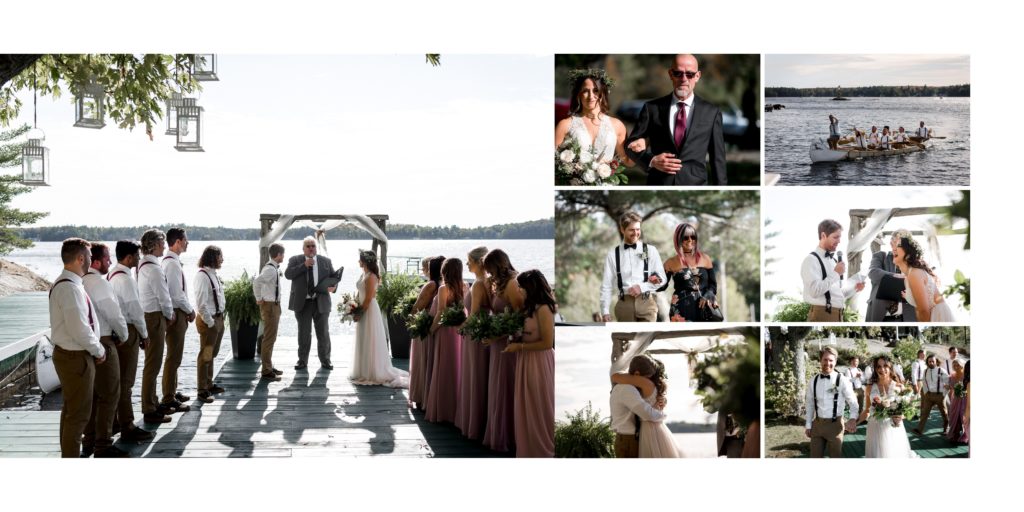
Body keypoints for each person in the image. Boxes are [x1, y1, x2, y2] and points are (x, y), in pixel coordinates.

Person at [624, 54, 727, 186]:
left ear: (697, 76)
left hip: (695, 185)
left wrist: (721, 188)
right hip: (659, 184)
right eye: (678, 73)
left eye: (689, 74)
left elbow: (718, 159)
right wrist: (651, 160)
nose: (684, 79)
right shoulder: (652, 108)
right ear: (670, 74)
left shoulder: (711, 112)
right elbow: (630, 146)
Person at [48, 238, 106, 457]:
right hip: (75, 357)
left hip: (72, 355)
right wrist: (98, 350)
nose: (92, 260)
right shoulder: (70, 288)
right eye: (89, 257)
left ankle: (68, 455)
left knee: (71, 411)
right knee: (79, 415)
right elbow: (79, 329)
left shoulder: (69, 283)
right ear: (80, 258)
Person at [80, 242, 130, 457]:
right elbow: (113, 311)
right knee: (110, 394)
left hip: (86, 342)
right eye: (108, 258)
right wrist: (125, 335)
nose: (111, 262)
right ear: (97, 260)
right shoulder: (98, 282)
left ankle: (89, 440)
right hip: (104, 341)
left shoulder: (80, 280)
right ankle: (103, 444)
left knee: (92, 394)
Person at [503, 270, 556, 457]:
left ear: (530, 287)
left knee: (538, 405)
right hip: (525, 360)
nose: (518, 289)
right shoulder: (528, 307)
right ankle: (528, 448)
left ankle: (542, 450)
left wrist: (519, 346)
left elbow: (547, 343)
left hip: (538, 362)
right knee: (526, 405)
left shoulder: (544, 308)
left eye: (521, 286)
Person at [106, 240, 155, 442]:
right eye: (137, 255)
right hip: (129, 331)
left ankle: (116, 422)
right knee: (126, 382)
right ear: (128, 258)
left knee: (119, 381)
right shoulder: (126, 280)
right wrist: (144, 335)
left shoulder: (111, 275)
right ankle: (127, 426)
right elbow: (135, 310)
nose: (139, 258)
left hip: (117, 331)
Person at [349, 250, 409, 388]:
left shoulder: (371, 277)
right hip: (362, 307)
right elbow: (360, 294)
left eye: (360, 260)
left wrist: (360, 313)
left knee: (370, 338)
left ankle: (373, 371)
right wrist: (352, 306)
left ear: (364, 261)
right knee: (363, 338)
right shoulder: (364, 274)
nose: (358, 262)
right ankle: (363, 369)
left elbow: (369, 298)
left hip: (369, 310)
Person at [482, 248, 522, 453]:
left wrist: (496, 336)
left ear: (498, 265)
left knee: (506, 388)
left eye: (490, 270)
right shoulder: (499, 282)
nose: (488, 274)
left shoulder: (514, 283)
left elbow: (518, 320)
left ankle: (510, 437)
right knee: (498, 388)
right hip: (497, 342)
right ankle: (500, 433)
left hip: (508, 343)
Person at [554, 69, 633, 169]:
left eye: (596, 90)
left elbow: (628, 161)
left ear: (603, 93)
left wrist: (643, 143)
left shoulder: (617, 125)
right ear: (579, 94)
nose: (591, 96)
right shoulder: (565, 125)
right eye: (585, 91)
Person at [137, 229, 176, 424]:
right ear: (153, 245)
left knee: (152, 363)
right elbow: (163, 296)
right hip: (154, 317)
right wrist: (170, 315)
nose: (164, 246)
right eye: (162, 243)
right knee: (153, 364)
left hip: (149, 315)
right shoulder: (153, 268)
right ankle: (149, 408)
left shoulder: (144, 265)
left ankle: (153, 401)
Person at [611, 354, 681, 458]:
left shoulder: (636, 385)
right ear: (637, 374)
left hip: (637, 434)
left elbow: (615, 376)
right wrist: (663, 415)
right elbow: (647, 414)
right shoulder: (627, 388)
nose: (648, 379)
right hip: (628, 437)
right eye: (647, 377)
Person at [600, 210, 665, 322]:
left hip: (647, 303)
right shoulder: (612, 254)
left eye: (638, 229)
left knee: (647, 337)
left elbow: (662, 279)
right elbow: (607, 285)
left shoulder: (651, 250)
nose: (636, 233)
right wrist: (605, 310)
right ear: (622, 230)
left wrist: (642, 287)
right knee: (627, 338)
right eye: (631, 230)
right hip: (624, 304)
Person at [285, 236, 337, 370]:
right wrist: (304, 265)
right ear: (303, 249)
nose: (311, 248)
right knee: (303, 333)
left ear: (316, 248)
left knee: (323, 333)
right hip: (303, 303)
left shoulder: (325, 261)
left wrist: (334, 287)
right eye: (308, 246)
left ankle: (326, 360)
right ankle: (302, 361)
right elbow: (288, 274)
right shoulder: (295, 260)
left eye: (313, 245)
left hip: (321, 302)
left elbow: (333, 278)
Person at [455, 247, 490, 440]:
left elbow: (475, 314)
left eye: (469, 261)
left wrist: (461, 328)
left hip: (474, 334)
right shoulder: (486, 281)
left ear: (478, 262)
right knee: (479, 375)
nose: (467, 264)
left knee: (474, 375)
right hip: (480, 332)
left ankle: (475, 422)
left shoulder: (478, 284)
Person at [426, 257, 466, 423]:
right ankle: (454, 407)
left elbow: (441, 312)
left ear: (445, 270)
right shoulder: (464, 286)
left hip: (444, 331)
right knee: (455, 368)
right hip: (457, 331)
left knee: (443, 367)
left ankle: (442, 409)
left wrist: (431, 330)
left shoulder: (444, 288)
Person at [801, 219, 865, 321]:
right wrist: (836, 273)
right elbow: (814, 291)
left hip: (838, 315)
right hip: (822, 313)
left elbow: (837, 293)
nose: (839, 241)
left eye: (840, 237)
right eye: (835, 237)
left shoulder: (834, 261)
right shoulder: (811, 260)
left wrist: (855, 289)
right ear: (823, 236)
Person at [160, 227, 194, 413]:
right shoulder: (171, 264)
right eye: (186, 239)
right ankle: (168, 397)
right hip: (176, 312)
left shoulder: (172, 262)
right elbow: (176, 294)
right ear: (178, 241)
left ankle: (171, 391)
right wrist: (190, 310)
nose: (188, 242)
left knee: (175, 356)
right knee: (173, 357)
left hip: (177, 312)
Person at [857, 355, 918, 458]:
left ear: (890, 368)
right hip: (874, 428)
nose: (882, 369)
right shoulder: (869, 387)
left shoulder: (899, 387)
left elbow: (907, 411)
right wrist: (855, 422)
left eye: (885, 366)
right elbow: (867, 410)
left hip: (893, 429)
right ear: (875, 369)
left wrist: (900, 417)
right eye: (878, 367)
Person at [658, 222, 719, 322]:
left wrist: (709, 295)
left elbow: (712, 285)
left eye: (693, 237)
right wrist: (653, 279)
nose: (690, 240)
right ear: (679, 239)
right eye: (686, 237)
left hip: (704, 308)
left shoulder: (705, 259)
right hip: (680, 310)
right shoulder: (670, 262)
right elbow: (661, 286)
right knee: (682, 337)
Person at [804, 347, 859, 458]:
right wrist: (808, 424)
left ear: (835, 361)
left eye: (831, 360)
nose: (828, 363)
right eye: (825, 360)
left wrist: (853, 418)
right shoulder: (813, 380)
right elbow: (809, 404)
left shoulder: (843, 380)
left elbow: (853, 402)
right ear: (820, 360)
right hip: (817, 425)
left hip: (836, 425)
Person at [893, 232, 954, 322]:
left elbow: (924, 311)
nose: (893, 249)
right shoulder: (909, 276)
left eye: (898, 245)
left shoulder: (914, 273)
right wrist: (909, 296)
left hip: (938, 316)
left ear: (908, 253)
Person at [194, 245, 227, 403]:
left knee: (212, 354)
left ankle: (209, 383)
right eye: (220, 256)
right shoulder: (202, 276)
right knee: (205, 355)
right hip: (209, 321)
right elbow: (201, 304)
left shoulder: (213, 274)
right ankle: (202, 390)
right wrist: (211, 323)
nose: (222, 259)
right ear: (213, 258)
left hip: (218, 319)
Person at [408, 257, 441, 410]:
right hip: (439, 328)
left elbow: (417, 307)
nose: (424, 270)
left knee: (422, 361)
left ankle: (420, 396)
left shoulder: (431, 285)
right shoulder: (446, 285)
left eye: (426, 267)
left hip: (425, 327)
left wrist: (411, 313)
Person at [866, 230, 916, 322]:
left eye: (899, 245)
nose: (895, 248)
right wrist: (896, 276)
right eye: (893, 244)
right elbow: (873, 272)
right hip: (880, 315)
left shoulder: (914, 263)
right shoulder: (881, 256)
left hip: (906, 317)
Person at [253, 243, 285, 381]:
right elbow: (256, 282)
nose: (283, 256)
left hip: (274, 305)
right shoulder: (271, 270)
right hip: (270, 306)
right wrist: (259, 298)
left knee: (271, 337)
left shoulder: (273, 268)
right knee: (269, 338)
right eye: (283, 254)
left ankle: (269, 366)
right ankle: (266, 370)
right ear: (278, 255)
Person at [913, 355, 949, 436]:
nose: (931, 363)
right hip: (929, 396)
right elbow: (924, 383)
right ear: (927, 362)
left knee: (944, 413)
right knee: (924, 412)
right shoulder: (925, 371)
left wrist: (944, 395)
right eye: (930, 361)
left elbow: (948, 383)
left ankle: (946, 428)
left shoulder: (941, 370)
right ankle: (919, 430)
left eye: (933, 361)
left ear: (936, 361)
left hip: (940, 395)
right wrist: (926, 394)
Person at [946, 359, 969, 443]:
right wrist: (948, 387)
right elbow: (951, 389)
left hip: (965, 399)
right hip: (955, 399)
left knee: (964, 417)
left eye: (957, 365)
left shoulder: (966, 375)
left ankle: (966, 436)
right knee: (954, 416)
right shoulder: (951, 376)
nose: (956, 367)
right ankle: (955, 434)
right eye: (954, 365)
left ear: (962, 365)